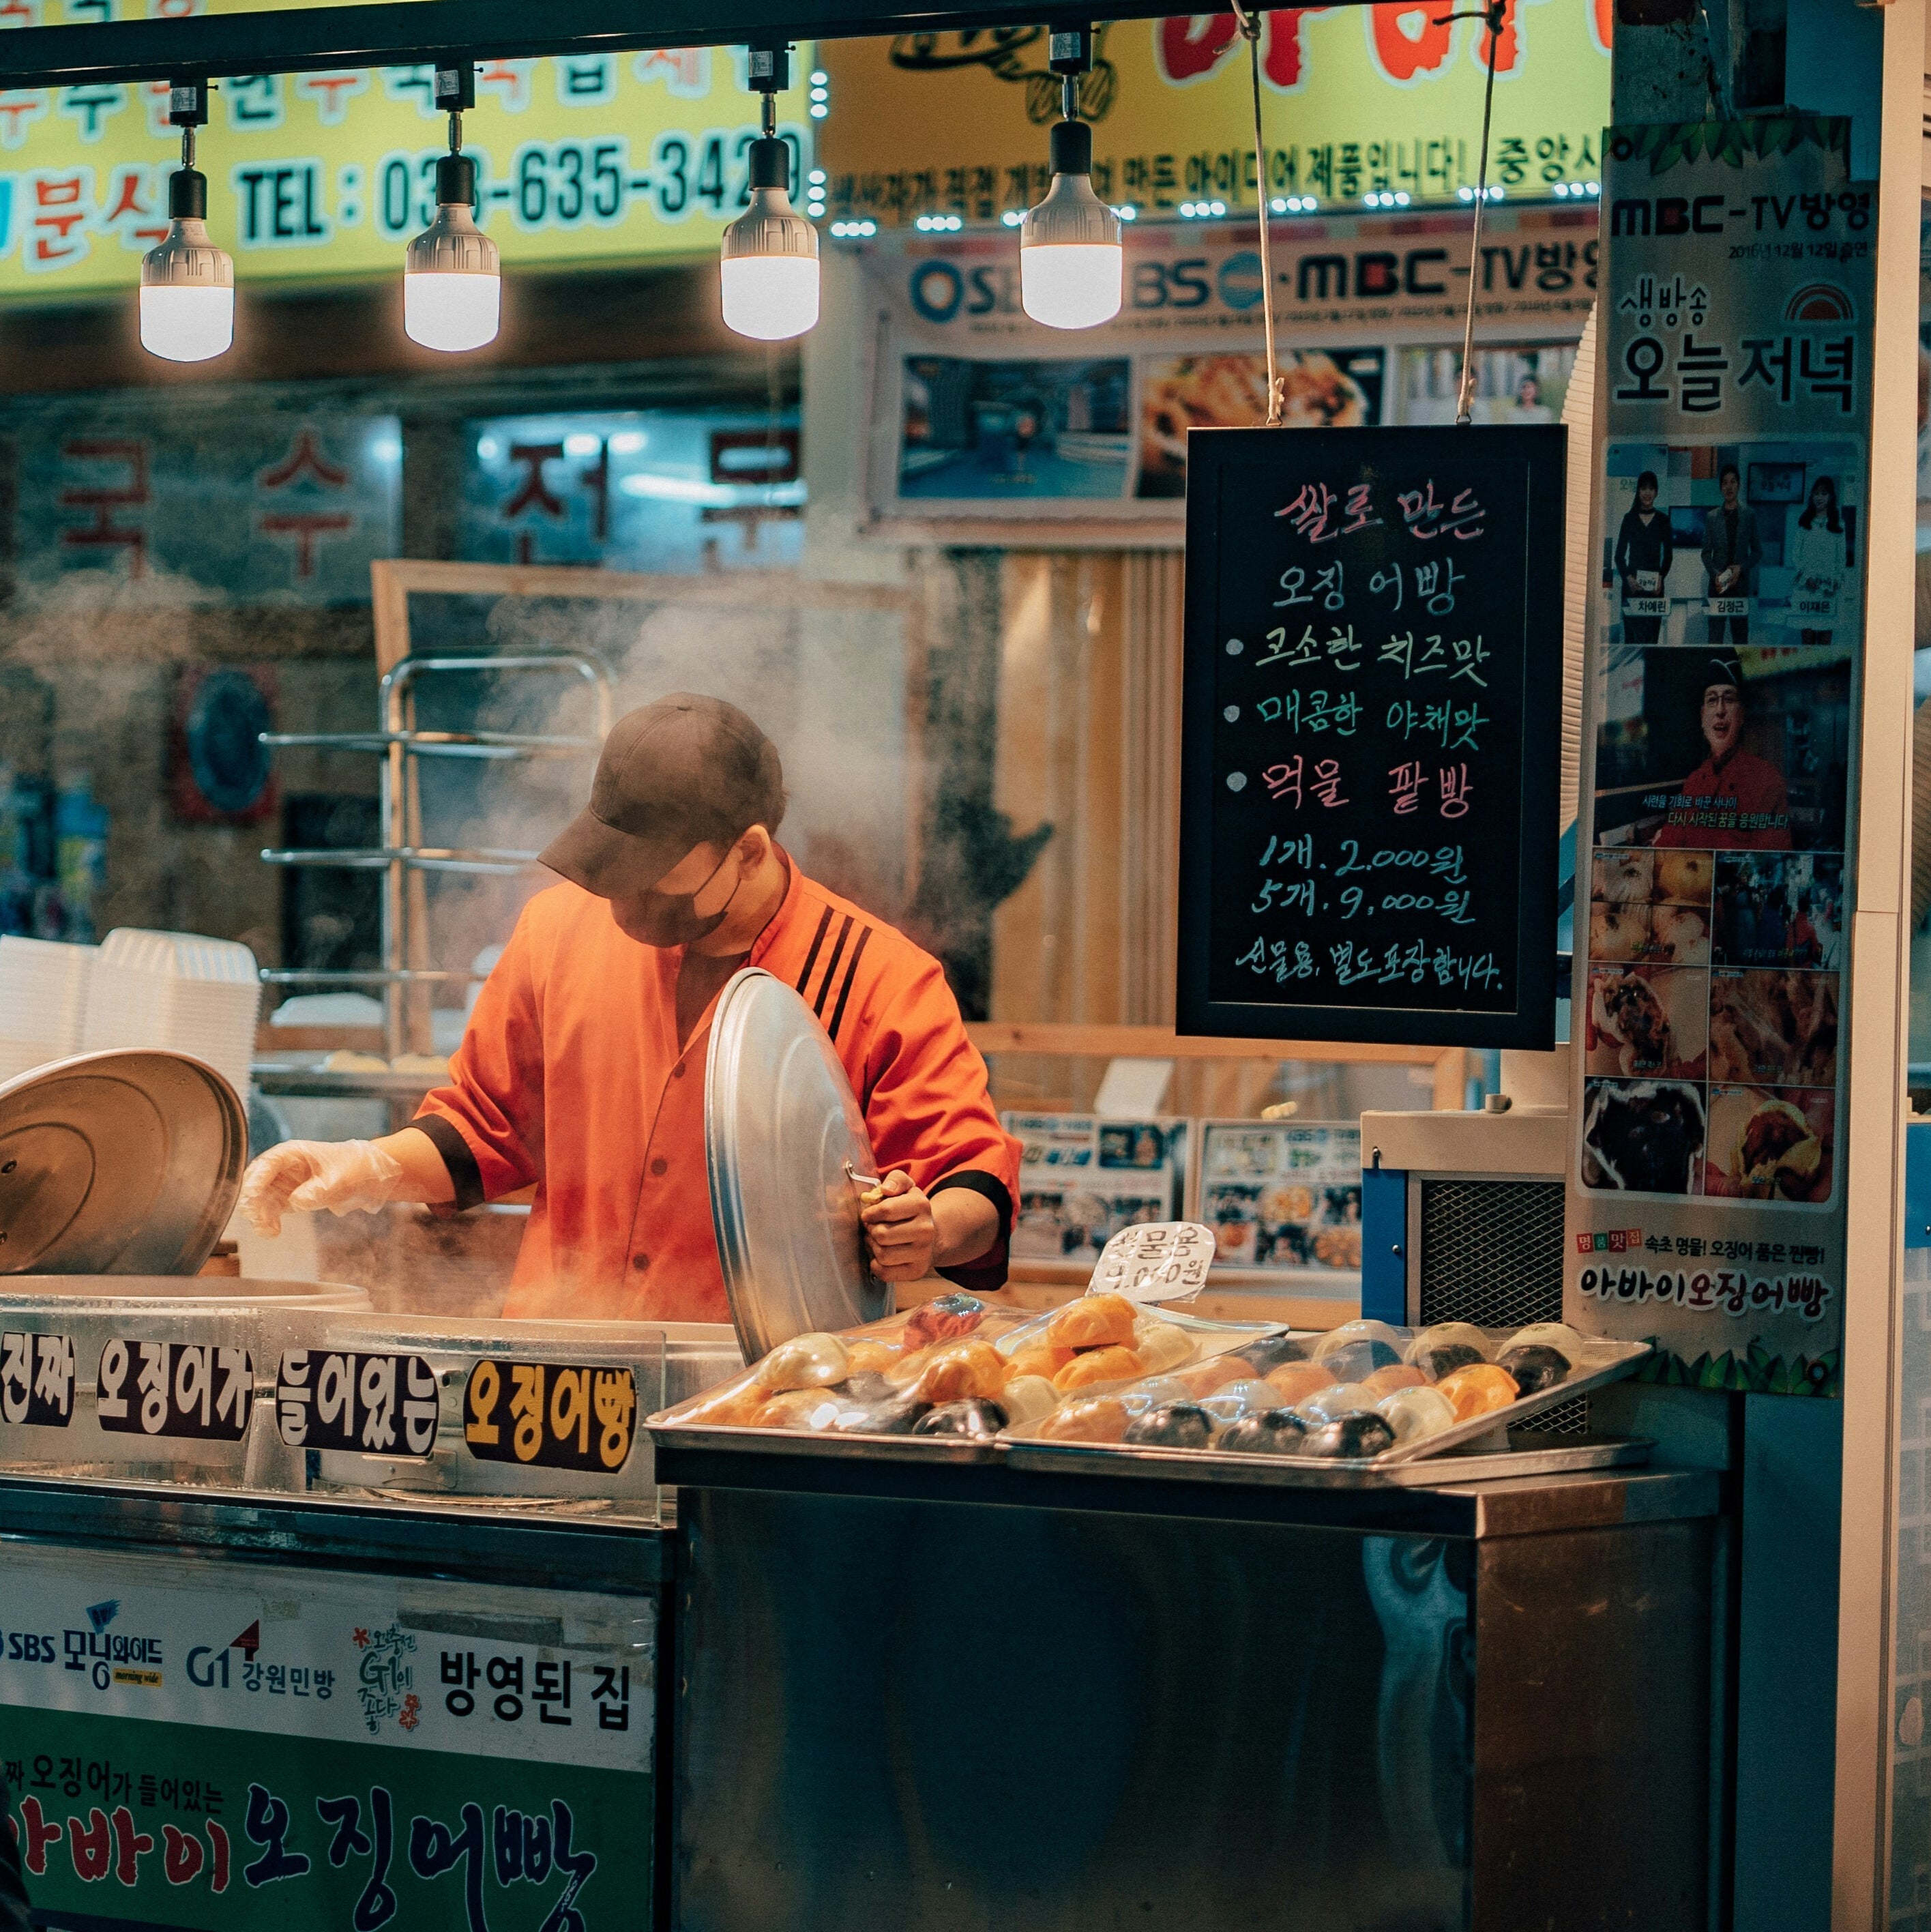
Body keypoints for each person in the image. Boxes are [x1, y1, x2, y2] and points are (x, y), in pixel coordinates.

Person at [239, 695, 1022, 1323]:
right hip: (556, 1372)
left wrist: (927, 1227)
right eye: (612, 868)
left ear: (747, 851)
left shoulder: (878, 974)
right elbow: (483, 1129)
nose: (624, 901)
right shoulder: (556, 930)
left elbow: (973, 1181)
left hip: (762, 1389)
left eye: (655, 877)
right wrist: (360, 1166)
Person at [1653, 653, 1793, 851]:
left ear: (1742, 715)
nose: (1720, 710)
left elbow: (1772, 862)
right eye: (1712, 700)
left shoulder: (1767, 780)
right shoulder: (1693, 782)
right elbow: (1669, 841)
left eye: (1729, 699)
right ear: (1703, 717)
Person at [1701, 463, 1761, 643]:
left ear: (1739, 485)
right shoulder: (1712, 517)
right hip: (1718, 587)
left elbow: (1758, 552)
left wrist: (1740, 569)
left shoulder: (1749, 515)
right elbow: (1705, 554)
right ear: (1721, 488)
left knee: (1741, 640)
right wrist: (1716, 575)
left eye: (1733, 482)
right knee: (1714, 640)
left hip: (1740, 587)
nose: (1729, 487)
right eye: (1725, 483)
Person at [1614, 469, 1672, 645]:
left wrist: (1661, 579)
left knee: (1651, 642)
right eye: (1643, 488)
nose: (1647, 493)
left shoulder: (1663, 520)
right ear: (1638, 491)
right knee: (1632, 642)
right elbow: (1619, 556)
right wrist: (1628, 578)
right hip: (1632, 589)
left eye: (1651, 489)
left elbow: (1669, 556)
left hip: (1655, 590)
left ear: (1656, 492)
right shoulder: (1629, 519)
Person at [1786, 474, 1846, 647]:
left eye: (1824, 493)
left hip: (1829, 590)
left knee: (1826, 637)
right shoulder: (1804, 524)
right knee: (1807, 637)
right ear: (1811, 496)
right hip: (1806, 588)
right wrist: (1807, 578)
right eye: (1816, 493)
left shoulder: (1839, 526)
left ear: (1831, 497)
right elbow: (1796, 556)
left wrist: (1835, 582)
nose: (1820, 497)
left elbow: (1841, 560)